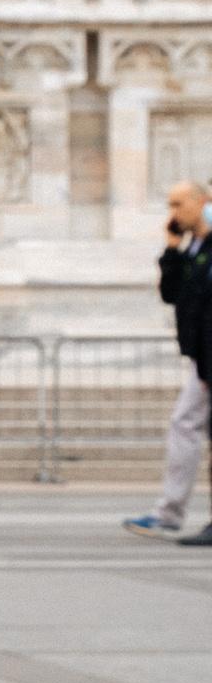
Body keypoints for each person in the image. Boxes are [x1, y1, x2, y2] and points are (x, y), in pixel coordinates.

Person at [124, 181, 210, 540]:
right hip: (202, 357)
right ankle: (169, 512)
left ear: (202, 202)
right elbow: (172, 294)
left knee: (185, 425)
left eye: (178, 204)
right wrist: (172, 251)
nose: (173, 213)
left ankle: (169, 513)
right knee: (185, 425)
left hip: (208, 357)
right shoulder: (194, 247)